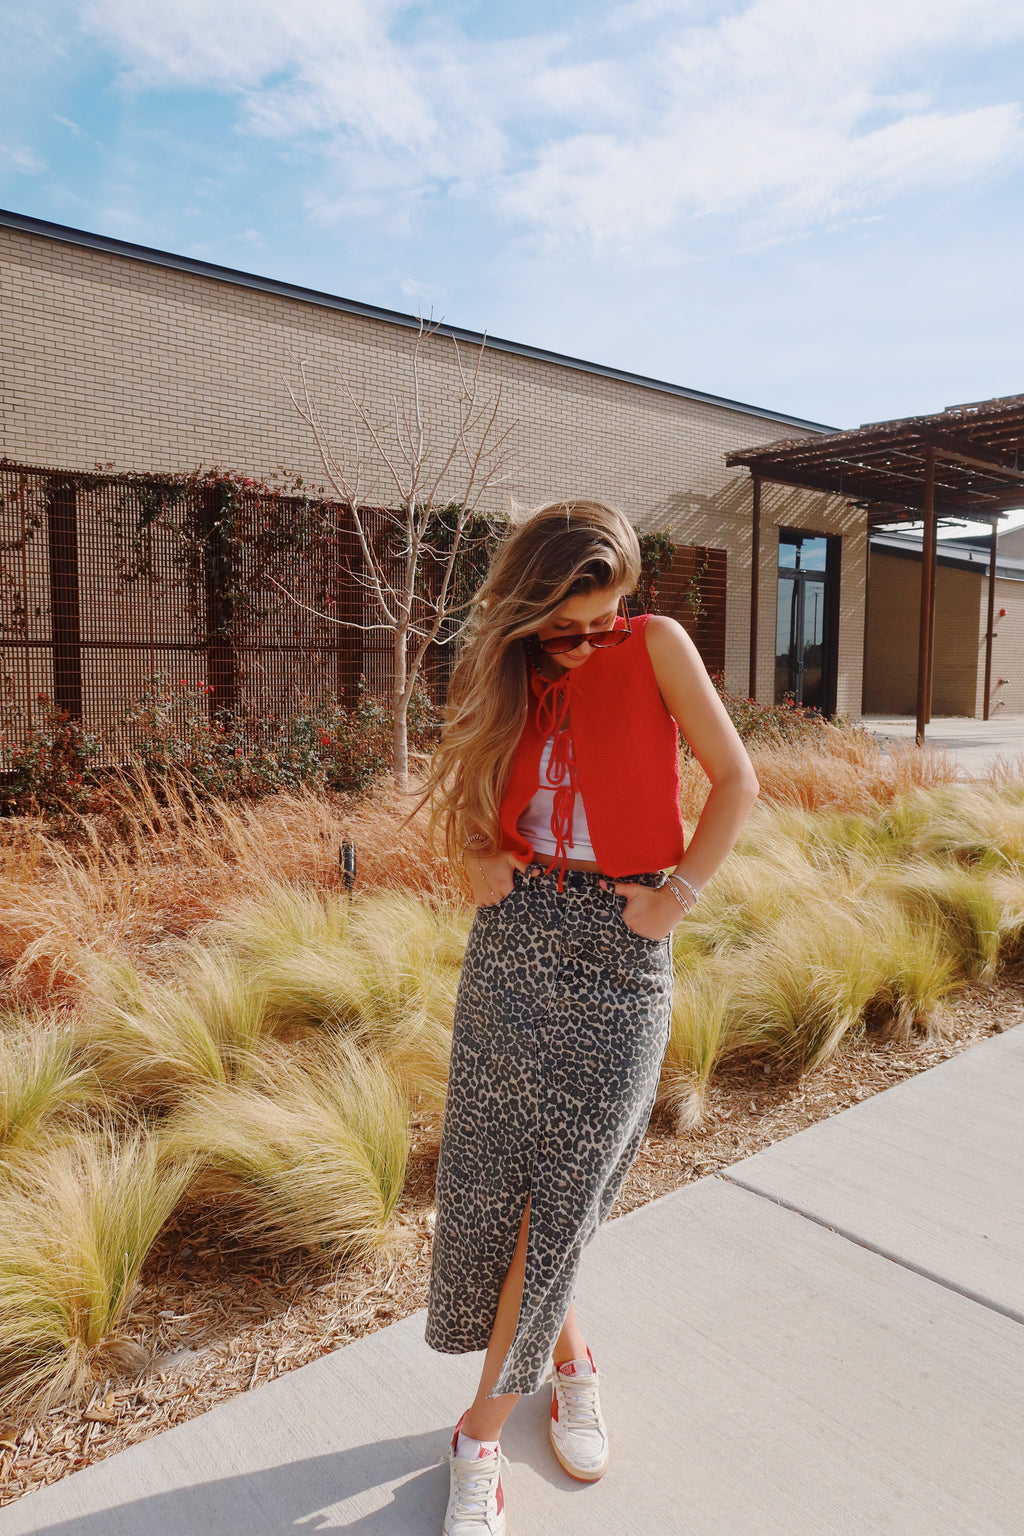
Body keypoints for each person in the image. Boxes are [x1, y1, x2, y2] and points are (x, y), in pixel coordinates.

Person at [421, 498, 759, 1535]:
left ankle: (477, 1435)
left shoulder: (654, 644)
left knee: (569, 1193)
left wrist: (678, 897)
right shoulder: (501, 659)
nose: (580, 641)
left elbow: (735, 781)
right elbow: (466, 796)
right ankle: (570, 1360)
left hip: (623, 944)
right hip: (515, 940)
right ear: (528, 606)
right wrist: (473, 856)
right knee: (501, 1185)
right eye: (561, 625)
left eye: (596, 623)